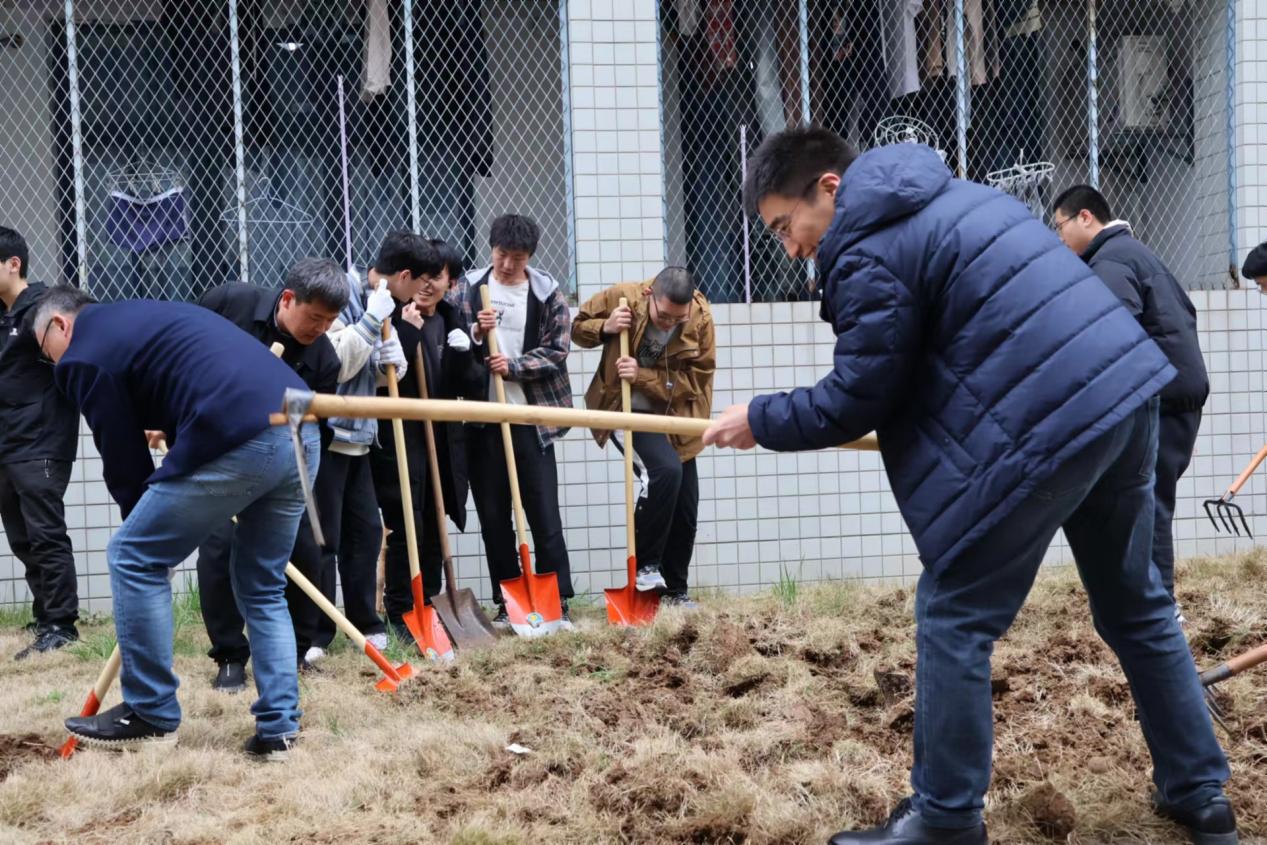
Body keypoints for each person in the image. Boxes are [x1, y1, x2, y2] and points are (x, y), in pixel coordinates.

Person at [703, 127, 1235, 845]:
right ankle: (1200, 792)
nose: (790, 247)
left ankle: (945, 816)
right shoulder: (961, 197)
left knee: (953, 613)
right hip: (1125, 397)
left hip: (1053, 418)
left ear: (829, 188)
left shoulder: (864, 245)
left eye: (782, 225)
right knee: (1137, 604)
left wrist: (759, 418)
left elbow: (859, 393)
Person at [37, 286, 319, 760]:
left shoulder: (82, 353)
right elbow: (192, 374)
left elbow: (122, 456)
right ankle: (279, 729)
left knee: (132, 556)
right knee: (262, 585)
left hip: (243, 432)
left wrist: (144, 536)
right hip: (301, 429)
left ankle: (150, 711)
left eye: (47, 351)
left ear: (61, 324)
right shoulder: (142, 314)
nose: (54, 364)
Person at [193, 258, 363, 690]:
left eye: (329, 321)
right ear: (288, 299)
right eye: (314, 317)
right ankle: (230, 656)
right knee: (219, 549)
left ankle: (296, 651)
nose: (320, 328)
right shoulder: (229, 303)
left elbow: (313, 432)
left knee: (305, 548)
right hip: (217, 452)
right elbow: (183, 354)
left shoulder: (323, 359)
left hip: (283, 462)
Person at [1051, 185, 1209, 614]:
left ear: (1085, 217)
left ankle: (1161, 613)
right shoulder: (1134, 253)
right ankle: (1150, 609)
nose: (1060, 238)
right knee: (1144, 504)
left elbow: (1112, 335)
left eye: (1060, 226)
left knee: (1148, 507)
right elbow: (1184, 313)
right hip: (1173, 396)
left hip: (1160, 400)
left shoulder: (1111, 262)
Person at [450, 214, 575, 628]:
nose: (507, 265)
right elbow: (450, 341)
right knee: (493, 518)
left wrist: (514, 366)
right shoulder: (468, 289)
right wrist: (473, 332)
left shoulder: (547, 294)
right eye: (501, 254)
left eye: (517, 258)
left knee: (544, 514)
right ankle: (508, 602)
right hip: (483, 420)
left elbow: (557, 349)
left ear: (530, 257)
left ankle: (557, 601)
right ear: (491, 249)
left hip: (529, 420)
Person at [572, 267, 715, 606]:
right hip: (625, 409)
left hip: (677, 416)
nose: (668, 324)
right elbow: (577, 328)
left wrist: (643, 376)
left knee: (685, 505)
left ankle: (676, 592)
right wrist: (605, 327)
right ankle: (646, 566)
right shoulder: (622, 297)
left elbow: (698, 380)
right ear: (651, 295)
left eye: (677, 319)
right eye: (663, 316)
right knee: (664, 471)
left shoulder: (701, 319)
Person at [364, 234, 478, 642]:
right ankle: (400, 611)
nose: (428, 286)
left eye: (437, 278)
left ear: (450, 282)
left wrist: (464, 354)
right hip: (401, 436)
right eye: (422, 278)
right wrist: (408, 331)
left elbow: (470, 386)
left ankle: (429, 605)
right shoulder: (392, 315)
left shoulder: (449, 319)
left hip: (439, 439)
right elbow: (388, 377)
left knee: (432, 521)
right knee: (406, 523)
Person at [302, 252, 402, 664]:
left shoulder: (381, 304)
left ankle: (365, 622)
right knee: (323, 539)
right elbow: (336, 364)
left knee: (365, 534)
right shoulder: (340, 296)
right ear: (402, 276)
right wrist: (371, 321)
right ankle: (317, 631)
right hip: (328, 438)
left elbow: (372, 374)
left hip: (360, 439)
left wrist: (391, 362)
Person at [0, 228, 80, 659]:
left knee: (45, 533)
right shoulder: (4, 316)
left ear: (13, 264)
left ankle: (62, 624)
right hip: (7, 443)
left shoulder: (44, 310)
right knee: (21, 536)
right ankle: (45, 613)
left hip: (41, 439)